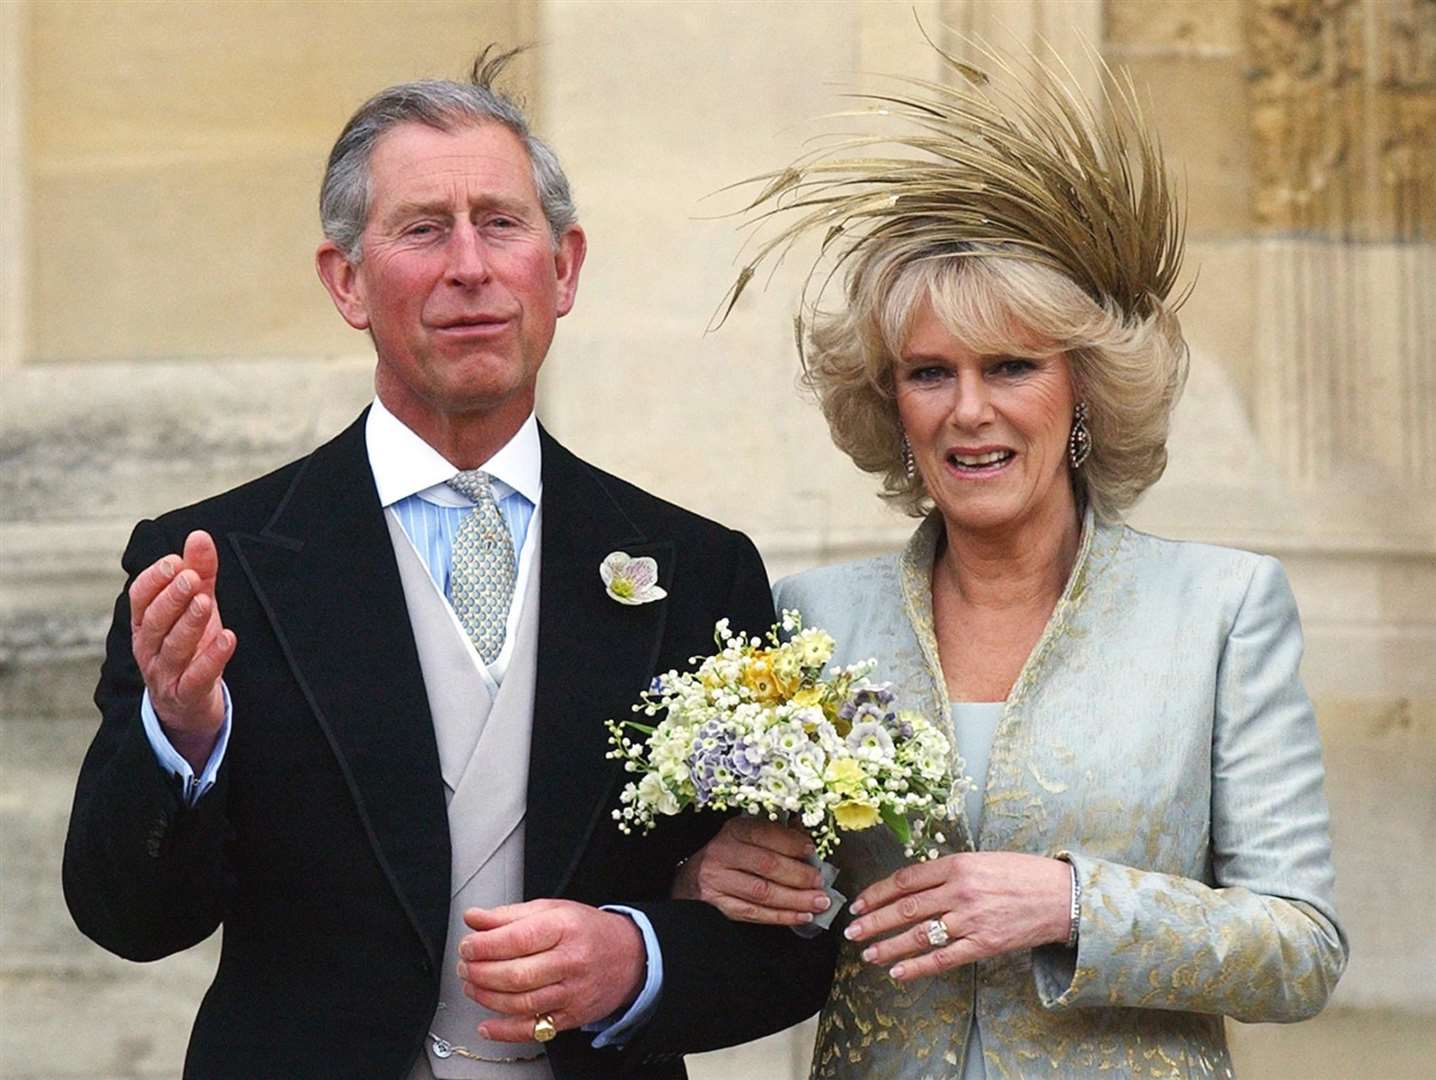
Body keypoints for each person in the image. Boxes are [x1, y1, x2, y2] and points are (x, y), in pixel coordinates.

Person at [62, 47, 830, 1080]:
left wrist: (634, 957)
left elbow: (781, 939)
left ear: (561, 269)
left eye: (501, 224)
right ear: (346, 281)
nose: (469, 265)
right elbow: (127, 917)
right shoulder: (212, 567)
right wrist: (181, 740)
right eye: (422, 229)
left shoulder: (697, 570)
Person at [675, 43, 1348, 1078]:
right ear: (890, 406)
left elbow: (1299, 951)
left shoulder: (1217, 607)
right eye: (929, 373)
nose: (968, 411)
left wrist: (1069, 903)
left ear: (1081, 390)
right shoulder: (813, 618)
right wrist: (716, 879)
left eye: (1010, 366)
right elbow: (787, 923)